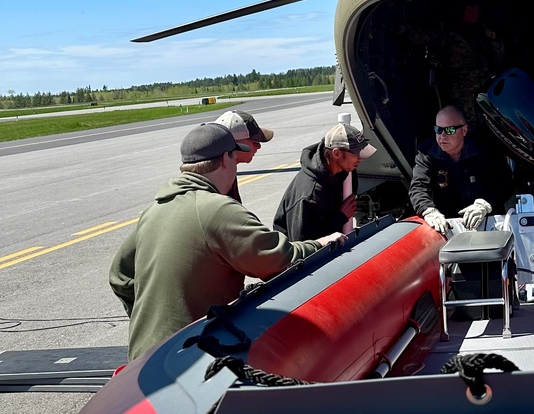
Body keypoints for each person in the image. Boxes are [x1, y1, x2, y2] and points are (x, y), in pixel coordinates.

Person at [109, 123, 341, 362]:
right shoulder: (216, 209)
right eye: (234, 156)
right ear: (225, 160)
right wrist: (322, 244)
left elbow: (119, 277)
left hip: (144, 358)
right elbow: (278, 260)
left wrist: (151, 320)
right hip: (189, 357)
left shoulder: (154, 210)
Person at [409, 105, 514, 234]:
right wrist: (428, 210)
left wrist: (485, 204)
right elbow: (418, 187)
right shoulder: (427, 153)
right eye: (438, 130)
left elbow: (505, 181)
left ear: (464, 130)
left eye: (449, 130)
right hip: (447, 227)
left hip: (488, 224)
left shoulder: (485, 149)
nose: (442, 136)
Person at [273, 122, 375, 242]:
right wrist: (340, 217)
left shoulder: (344, 172)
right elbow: (305, 246)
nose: (361, 158)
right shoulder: (309, 195)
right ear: (336, 153)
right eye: (357, 153)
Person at [213, 108, 274, 202]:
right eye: (255, 143)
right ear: (237, 144)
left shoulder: (225, 169)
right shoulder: (217, 178)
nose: (259, 147)